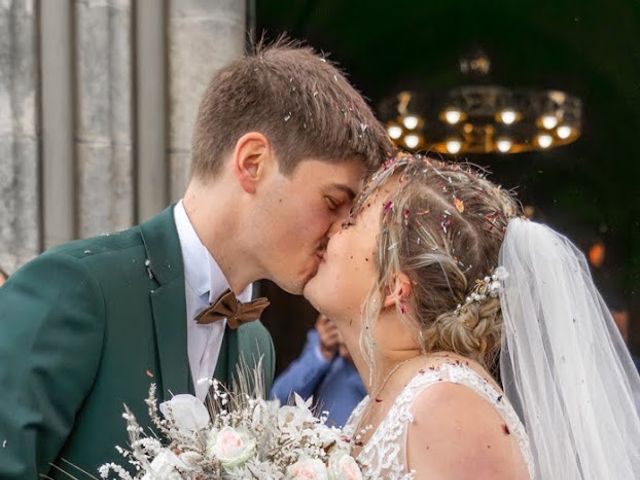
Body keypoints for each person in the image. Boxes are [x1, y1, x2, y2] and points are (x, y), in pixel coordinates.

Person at [0, 39, 391, 479]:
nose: (339, 232)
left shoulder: (255, 343)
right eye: (333, 201)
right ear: (253, 162)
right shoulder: (75, 290)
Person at [304, 153, 640, 479]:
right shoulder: (394, 399)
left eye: (350, 221)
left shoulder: (447, 405)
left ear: (394, 286)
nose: (329, 230)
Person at [271, 313, 366, 426]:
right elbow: (278, 399)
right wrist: (323, 353)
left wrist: (357, 357)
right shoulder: (325, 339)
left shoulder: (384, 342)